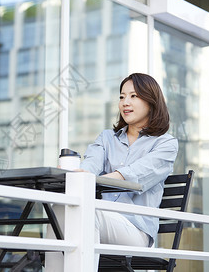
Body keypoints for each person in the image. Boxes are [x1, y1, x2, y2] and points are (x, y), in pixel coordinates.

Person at [45, 73, 178, 271]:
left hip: (135, 231)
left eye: (134, 96)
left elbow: (136, 174)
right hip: (99, 222)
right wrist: (76, 174)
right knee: (60, 209)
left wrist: (93, 179)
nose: (125, 102)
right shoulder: (107, 138)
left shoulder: (165, 143)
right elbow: (91, 164)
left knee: (88, 213)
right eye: (122, 96)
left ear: (151, 101)